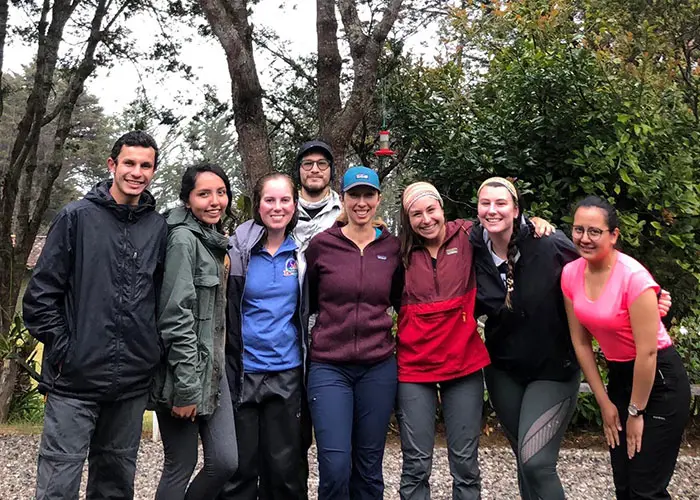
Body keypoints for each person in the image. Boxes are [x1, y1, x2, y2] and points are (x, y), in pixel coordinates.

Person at [23, 131, 168, 499]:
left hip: (131, 383)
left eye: (145, 165)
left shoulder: (157, 229)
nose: (137, 172)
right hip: (75, 381)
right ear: (112, 165)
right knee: (58, 486)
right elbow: (39, 297)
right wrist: (66, 349)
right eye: (129, 163)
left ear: (153, 171)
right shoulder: (76, 218)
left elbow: (161, 299)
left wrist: (149, 353)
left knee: (115, 487)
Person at [561, 195, 691, 500]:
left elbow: (647, 352)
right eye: (579, 229)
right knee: (624, 485)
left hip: (659, 382)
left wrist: (635, 412)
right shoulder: (570, 274)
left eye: (595, 231)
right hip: (620, 378)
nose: (585, 238)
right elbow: (580, 342)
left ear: (614, 235)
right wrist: (605, 403)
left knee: (645, 488)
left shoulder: (634, 278)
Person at [469, 177, 582, 500]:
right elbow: (427, 233)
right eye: (485, 203)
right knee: (524, 457)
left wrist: (649, 296)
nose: (492, 211)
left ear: (516, 209)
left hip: (553, 369)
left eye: (501, 203)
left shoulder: (549, 244)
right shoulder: (472, 246)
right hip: (504, 369)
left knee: (536, 462)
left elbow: (600, 266)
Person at [305, 166, 403, 500]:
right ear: (342, 199)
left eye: (368, 195)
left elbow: (399, 298)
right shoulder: (322, 246)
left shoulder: (392, 249)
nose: (361, 203)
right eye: (354, 195)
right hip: (329, 366)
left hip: (378, 366)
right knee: (334, 465)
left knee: (369, 467)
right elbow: (310, 299)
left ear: (378, 198)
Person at [396, 181, 491, 500]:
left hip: (463, 365)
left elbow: (508, 229)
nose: (426, 219)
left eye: (431, 210)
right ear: (407, 219)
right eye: (416, 214)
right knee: (416, 465)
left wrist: (536, 224)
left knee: (465, 465)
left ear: (441, 208)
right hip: (414, 369)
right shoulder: (399, 254)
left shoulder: (468, 236)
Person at [151, 163, 238, 499]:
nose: (215, 201)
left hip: (213, 369)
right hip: (183, 373)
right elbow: (175, 316)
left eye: (221, 192)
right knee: (180, 464)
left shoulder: (213, 240)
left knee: (226, 461)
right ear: (187, 200)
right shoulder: (183, 240)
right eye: (204, 194)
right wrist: (186, 387)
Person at [218, 173, 306, 500]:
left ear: (294, 204)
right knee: (239, 469)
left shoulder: (304, 250)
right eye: (270, 200)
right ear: (258, 204)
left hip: (286, 371)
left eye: (285, 200)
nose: (277, 207)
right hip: (243, 371)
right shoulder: (237, 248)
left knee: (283, 470)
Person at [290, 140, 341, 498]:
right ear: (299, 171)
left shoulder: (348, 211)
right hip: (287, 329)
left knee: (333, 440)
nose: (314, 170)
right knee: (291, 439)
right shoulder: (279, 209)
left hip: (330, 330)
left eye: (322, 164)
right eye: (308, 163)